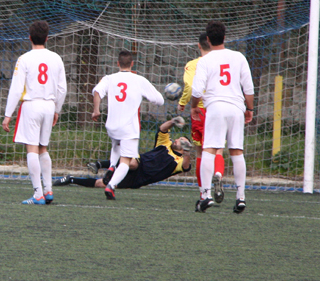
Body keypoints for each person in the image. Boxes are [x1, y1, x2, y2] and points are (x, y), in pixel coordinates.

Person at [190, 20, 255, 213]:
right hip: (236, 108)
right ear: (225, 38)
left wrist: (194, 106)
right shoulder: (239, 57)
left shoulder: (205, 61)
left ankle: (206, 195)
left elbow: (196, 89)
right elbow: (248, 88)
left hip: (215, 108)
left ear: (208, 40)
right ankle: (241, 198)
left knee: (208, 150)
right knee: (236, 151)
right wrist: (249, 109)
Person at [2, 20, 67, 205]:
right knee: (43, 148)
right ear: (47, 38)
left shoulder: (24, 58)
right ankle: (48, 191)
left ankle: (38, 193)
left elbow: (16, 89)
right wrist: (57, 109)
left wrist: (8, 115)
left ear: (29, 38)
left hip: (31, 105)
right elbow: (62, 88)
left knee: (31, 148)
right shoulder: (56, 58)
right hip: (49, 106)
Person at [92, 50, 165, 200]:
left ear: (118, 64)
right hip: (128, 129)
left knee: (116, 146)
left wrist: (96, 110)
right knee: (126, 160)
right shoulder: (139, 80)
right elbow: (159, 100)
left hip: (112, 126)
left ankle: (112, 165)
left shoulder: (109, 78)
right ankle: (111, 186)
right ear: (132, 64)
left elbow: (97, 92)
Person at [56, 117, 192, 189]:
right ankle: (100, 164)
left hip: (139, 179)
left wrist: (187, 152)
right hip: (139, 162)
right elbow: (162, 129)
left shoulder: (178, 161)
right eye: (179, 138)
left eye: (182, 141)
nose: (177, 140)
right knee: (132, 163)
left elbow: (186, 167)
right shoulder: (165, 145)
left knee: (102, 184)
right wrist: (173, 121)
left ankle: (71, 179)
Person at [178, 32, 227, 202]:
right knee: (218, 148)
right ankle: (218, 174)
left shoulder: (193, 65)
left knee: (201, 151)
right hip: (218, 108)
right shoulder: (222, 62)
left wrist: (183, 102)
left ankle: (203, 192)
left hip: (200, 110)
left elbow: (190, 87)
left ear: (199, 45)